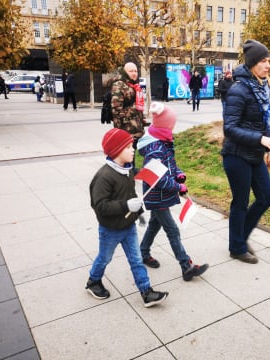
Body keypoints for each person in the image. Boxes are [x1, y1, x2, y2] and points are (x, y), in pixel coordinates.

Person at [87, 127, 169, 307]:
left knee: (137, 259)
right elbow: (99, 205)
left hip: (128, 226)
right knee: (104, 258)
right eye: (128, 147)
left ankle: (146, 292)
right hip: (111, 229)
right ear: (117, 151)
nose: (133, 150)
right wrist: (125, 206)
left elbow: (131, 193)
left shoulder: (128, 170)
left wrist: (137, 213)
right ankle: (93, 281)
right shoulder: (104, 176)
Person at [221, 39, 270, 264]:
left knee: (266, 197)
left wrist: (269, 150)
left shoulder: (262, 86)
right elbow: (230, 128)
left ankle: (240, 236)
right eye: (264, 61)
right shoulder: (239, 90)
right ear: (253, 63)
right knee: (240, 201)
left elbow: (263, 120)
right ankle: (237, 247)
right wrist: (261, 139)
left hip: (255, 154)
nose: (268, 66)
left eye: (269, 61)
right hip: (236, 155)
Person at [137, 102, 209, 281]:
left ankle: (142, 253)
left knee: (154, 224)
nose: (173, 126)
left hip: (161, 195)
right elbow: (157, 178)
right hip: (157, 195)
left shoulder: (163, 141)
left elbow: (170, 166)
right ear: (166, 125)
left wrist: (179, 174)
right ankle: (186, 266)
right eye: (172, 123)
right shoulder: (155, 148)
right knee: (172, 230)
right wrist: (178, 187)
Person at [110, 62, 149, 170]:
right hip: (125, 128)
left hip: (134, 126)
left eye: (135, 71)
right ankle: (127, 171)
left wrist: (141, 120)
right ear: (125, 72)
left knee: (132, 150)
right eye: (131, 71)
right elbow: (116, 110)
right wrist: (135, 110)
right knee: (126, 150)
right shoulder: (119, 85)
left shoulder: (133, 85)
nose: (134, 73)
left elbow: (135, 106)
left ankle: (131, 169)